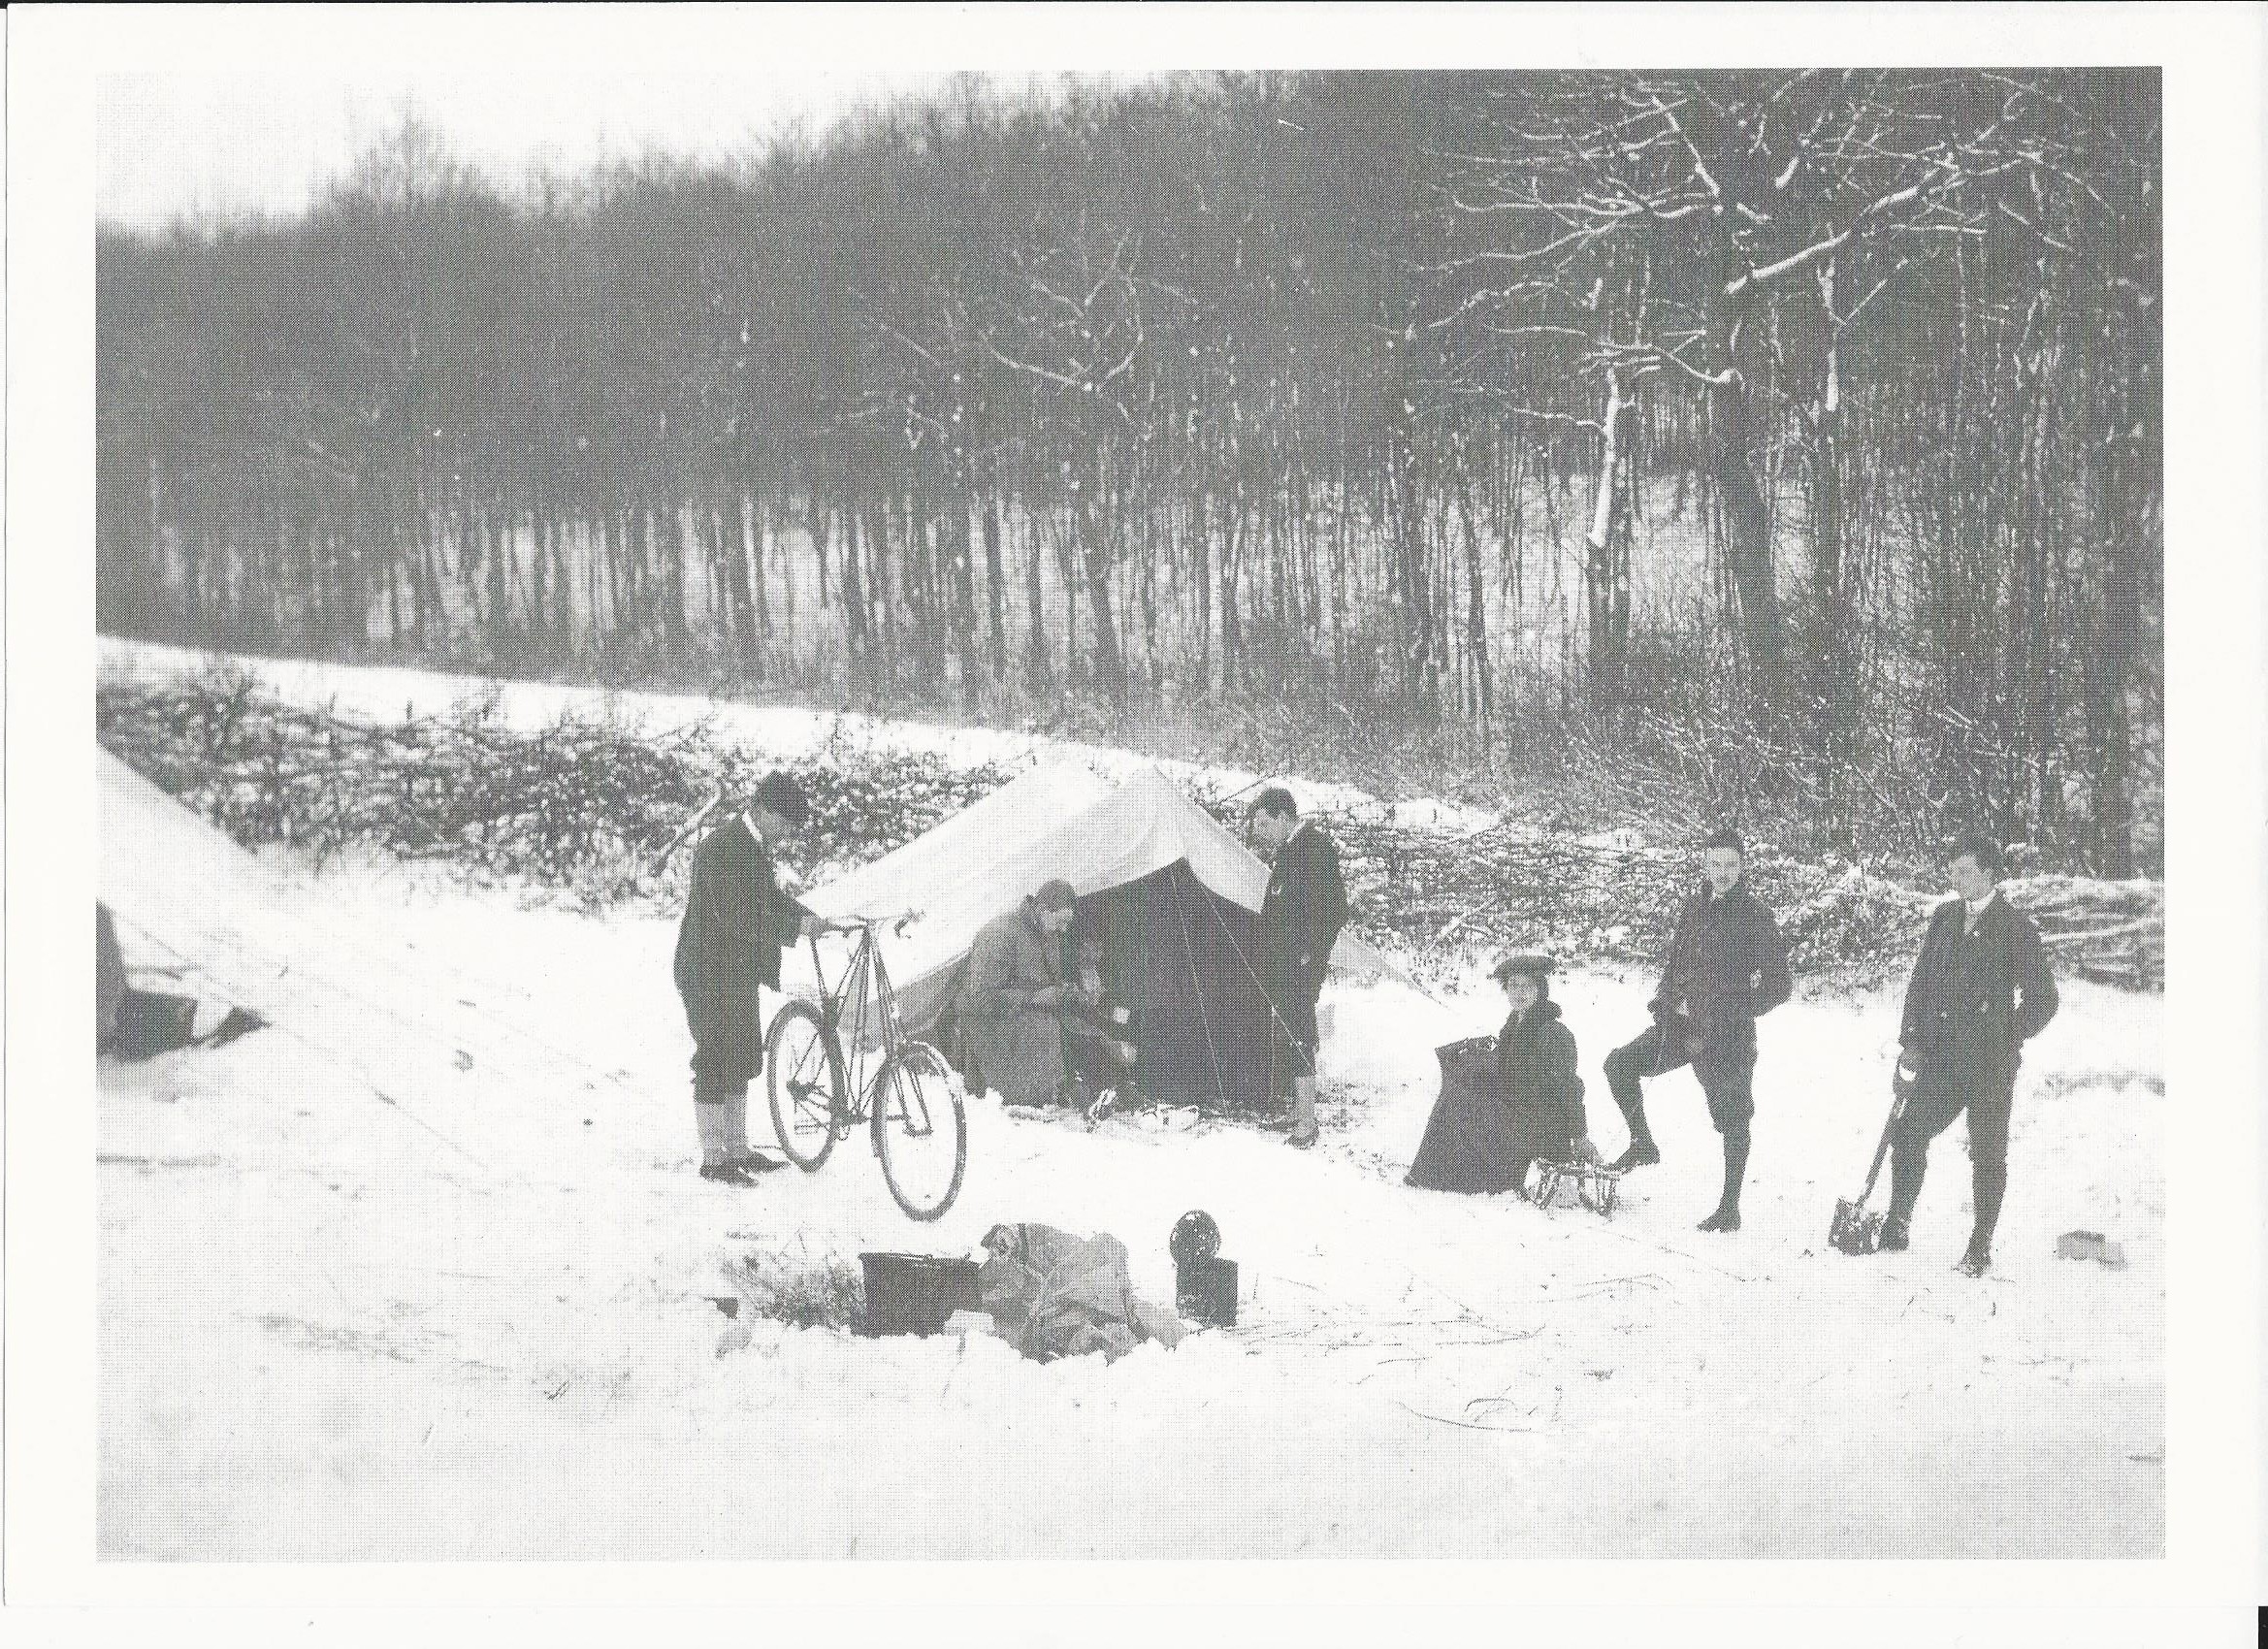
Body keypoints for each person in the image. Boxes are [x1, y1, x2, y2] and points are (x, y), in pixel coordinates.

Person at [1883, 833, 2059, 1277]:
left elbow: (2043, 1000)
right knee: (1908, 1133)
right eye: (1953, 871)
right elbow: (1921, 983)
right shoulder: (1945, 917)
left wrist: (2005, 1036)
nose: (1955, 879)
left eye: (1965, 871)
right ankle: (1897, 1223)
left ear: (1989, 874)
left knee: (1986, 1154)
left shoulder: (2015, 927)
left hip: (1988, 1066)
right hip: (1941, 1058)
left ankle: (1979, 1247)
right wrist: (1911, 1040)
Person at [1602, 828, 1791, 1232]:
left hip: (1727, 1037)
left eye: (1731, 865)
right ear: (1705, 865)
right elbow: (1676, 963)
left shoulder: (1756, 915)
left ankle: (1729, 1208)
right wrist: (1665, 1001)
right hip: (1680, 1028)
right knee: (1618, 1065)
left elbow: (1779, 987)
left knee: (1733, 1118)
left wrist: (1732, 1011)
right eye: (1715, 864)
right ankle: (1642, 1144)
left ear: (1742, 867)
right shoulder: (1693, 907)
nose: (1722, 873)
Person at [672, 771, 842, 1187]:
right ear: (762, 810)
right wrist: (793, 928)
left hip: (735, 968)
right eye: (783, 822)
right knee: (715, 1056)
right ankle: (715, 1158)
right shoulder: (721, 845)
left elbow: (767, 899)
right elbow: (735, 913)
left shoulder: (750, 844)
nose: (786, 833)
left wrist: (805, 916)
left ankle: (737, 1148)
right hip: (706, 969)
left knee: (743, 1053)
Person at [1406, 954, 1599, 1195]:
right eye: (1513, 986)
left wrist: (1579, 1136)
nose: (1519, 992)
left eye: (1527, 986)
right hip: (1518, 1113)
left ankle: (1446, 1177)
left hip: (1540, 1124)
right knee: (1456, 1094)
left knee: (1459, 1104)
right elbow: (1511, 1077)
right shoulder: (1513, 1027)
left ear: (1540, 990)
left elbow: (1568, 1087)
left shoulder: (1553, 1032)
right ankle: (1437, 1176)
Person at [1247, 786, 1349, 1149]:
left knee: (1299, 1033)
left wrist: (1309, 950)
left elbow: (1335, 908)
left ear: (1282, 817)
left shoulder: (1314, 848)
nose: (1259, 832)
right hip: (1283, 961)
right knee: (1288, 1030)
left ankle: (1307, 1121)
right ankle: (1296, 1109)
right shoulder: (1289, 851)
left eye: (1263, 824)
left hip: (1299, 964)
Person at [959, 879, 1084, 1110]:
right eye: (1061, 921)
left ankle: (1093, 1093)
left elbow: (1043, 983)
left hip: (1026, 1013)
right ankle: (1035, 1103)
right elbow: (979, 999)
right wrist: (1032, 998)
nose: (1064, 929)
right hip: (989, 1023)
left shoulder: (1048, 934)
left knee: (1084, 1026)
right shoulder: (1000, 933)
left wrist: (1064, 992)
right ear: (1043, 909)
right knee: (1045, 1028)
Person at [1059, 930, 1140, 1119]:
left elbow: (1111, 1003)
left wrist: (1121, 1024)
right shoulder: (1069, 973)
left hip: (1096, 1026)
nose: (1094, 953)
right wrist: (1109, 1029)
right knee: (1101, 1049)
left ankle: (1124, 1094)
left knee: (1120, 1048)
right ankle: (1095, 1099)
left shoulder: (1102, 973)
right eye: (1088, 948)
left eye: (1098, 949)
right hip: (1076, 1027)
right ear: (1079, 949)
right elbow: (1075, 1007)